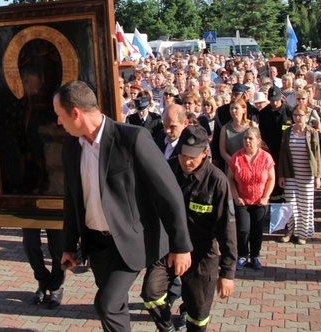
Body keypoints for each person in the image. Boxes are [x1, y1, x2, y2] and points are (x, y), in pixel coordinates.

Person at [55, 81, 192, 331]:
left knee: (106, 304)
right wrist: (68, 244)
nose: (58, 122)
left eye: (60, 116)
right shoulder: (71, 146)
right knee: (114, 307)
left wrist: (181, 246)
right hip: (96, 244)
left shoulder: (132, 138)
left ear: (76, 113)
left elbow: (169, 193)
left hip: (130, 241)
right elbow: (71, 198)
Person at [141, 126, 237, 331]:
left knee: (198, 316)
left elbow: (226, 230)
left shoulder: (217, 181)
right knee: (151, 293)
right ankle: (167, 328)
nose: (186, 161)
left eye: (192, 156)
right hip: (170, 247)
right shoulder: (167, 169)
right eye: (183, 155)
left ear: (205, 152)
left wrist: (227, 273)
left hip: (201, 253)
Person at [227, 127, 275, 269]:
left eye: (251, 138)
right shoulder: (237, 157)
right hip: (242, 200)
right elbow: (230, 179)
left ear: (258, 141)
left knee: (257, 230)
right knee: (243, 229)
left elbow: (271, 179)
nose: (247, 141)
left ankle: (255, 255)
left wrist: (266, 196)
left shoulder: (266, 157)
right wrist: (236, 197)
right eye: (245, 138)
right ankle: (242, 255)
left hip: (260, 201)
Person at [276, 103, 321, 244]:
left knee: (305, 204)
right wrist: (281, 175)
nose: (297, 118)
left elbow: (317, 155)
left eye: (300, 115)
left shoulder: (312, 132)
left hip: (307, 174)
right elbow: (282, 154)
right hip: (291, 173)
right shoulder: (287, 131)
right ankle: (290, 230)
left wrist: (318, 176)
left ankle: (303, 233)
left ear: (306, 116)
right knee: (290, 203)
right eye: (295, 115)